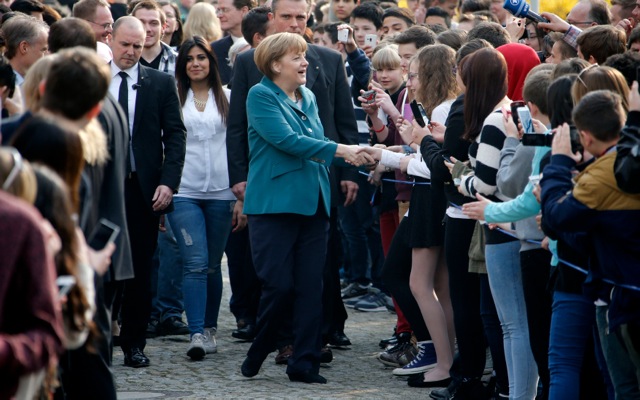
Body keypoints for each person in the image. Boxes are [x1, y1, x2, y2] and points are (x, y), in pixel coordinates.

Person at [226, 0, 360, 361]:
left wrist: (348, 169)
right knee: (278, 281)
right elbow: (255, 131)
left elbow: (338, 122)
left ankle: (308, 348)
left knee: (314, 279)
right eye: (288, 16)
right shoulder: (254, 78)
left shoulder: (321, 73)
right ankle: (273, 342)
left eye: (302, 17)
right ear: (273, 18)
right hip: (275, 193)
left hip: (317, 189)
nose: (296, 22)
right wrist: (239, 177)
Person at [454, 47, 538, 399]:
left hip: (502, 227)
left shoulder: (493, 118)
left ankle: (518, 395)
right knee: (516, 323)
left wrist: (459, 177)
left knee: (513, 325)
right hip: (517, 224)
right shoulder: (517, 110)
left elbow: (486, 183)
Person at [109, 16, 186, 368]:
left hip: (143, 190)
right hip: (101, 190)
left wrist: (168, 182)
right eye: (125, 44)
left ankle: (134, 343)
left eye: (138, 46)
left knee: (140, 270)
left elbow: (175, 135)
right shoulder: (94, 80)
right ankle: (98, 338)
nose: (131, 52)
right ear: (110, 39)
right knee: (102, 268)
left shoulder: (159, 82)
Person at [166, 36, 238, 360]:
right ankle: (195, 331)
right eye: (190, 58)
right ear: (182, 64)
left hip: (223, 193)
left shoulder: (228, 98)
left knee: (211, 264)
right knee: (194, 262)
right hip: (184, 191)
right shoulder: (172, 97)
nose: (196, 63)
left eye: (202, 58)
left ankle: (209, 328)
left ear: (212, 62)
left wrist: (242, 194)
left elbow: (239, 147)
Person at [211, 0, 255, 85]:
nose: (219, 15)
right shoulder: (214, 50)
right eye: (218, 10)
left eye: (225, 10)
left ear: (244, 11)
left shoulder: (262, 45)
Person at [131, 0, 178, 76]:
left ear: (163, 27)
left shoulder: (177, 61)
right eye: (141, 23)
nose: (147, 29)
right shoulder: (123, 59)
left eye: (153, 23)